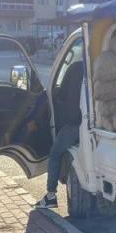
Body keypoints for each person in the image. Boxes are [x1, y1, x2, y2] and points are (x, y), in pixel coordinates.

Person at [35, 59, 84, 208]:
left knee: (55, 153)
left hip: (75, 124)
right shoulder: (100, 66)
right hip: (95, 122)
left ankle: (51, 196)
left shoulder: (75, 67)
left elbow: (61, 93)